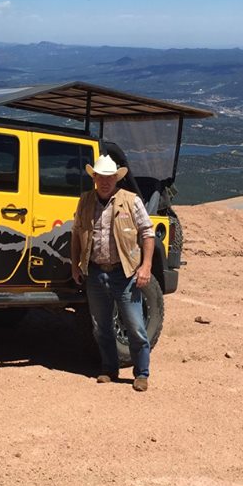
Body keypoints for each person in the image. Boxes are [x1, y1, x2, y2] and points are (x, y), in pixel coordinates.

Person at [70, 154, 156, 391]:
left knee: (136, 326)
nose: (105, 181)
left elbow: (148, 234)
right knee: (101, 327)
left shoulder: (131, 200)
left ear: (115, 178)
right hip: (96, 272)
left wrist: (146, 266)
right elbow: (77, 233)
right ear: (94, 177)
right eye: (101, 177)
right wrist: (74, 264)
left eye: (110, 177)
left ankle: (142, 373)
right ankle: (109, 368)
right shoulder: (85, 200)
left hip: (125, 274)